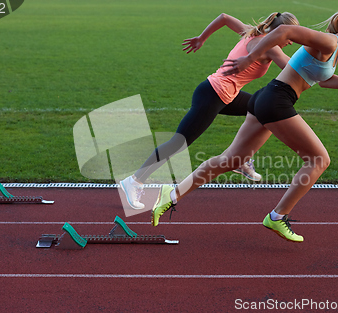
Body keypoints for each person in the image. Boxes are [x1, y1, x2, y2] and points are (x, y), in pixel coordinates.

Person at [151, 11, 338, 243]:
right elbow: (284, 31)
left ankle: (171, 194)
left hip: (267, 98)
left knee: (230, 160)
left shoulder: (332, 50)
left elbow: (323, 81)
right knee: (319, 160)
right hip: (277, 100)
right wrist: (250, 58)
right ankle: (277, 216)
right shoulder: (330, 41)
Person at [120, 12, 299, 209]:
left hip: (225, 94)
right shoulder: (270, 47)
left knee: (261, 110)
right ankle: (134, 181)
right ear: (281, 31)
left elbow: (224, 18)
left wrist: (201, 38)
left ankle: (241, 159)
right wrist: (320, 56)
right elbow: (294, 69)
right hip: (213, 95)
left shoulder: (252, 33)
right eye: (291, 37)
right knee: (178, 143)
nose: (291, 42)